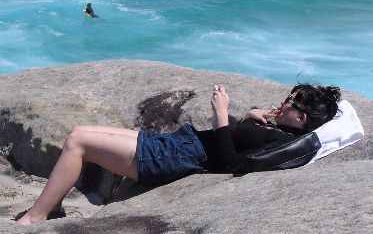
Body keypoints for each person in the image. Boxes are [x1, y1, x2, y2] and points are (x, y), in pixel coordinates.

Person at [15, 83, 341, 225]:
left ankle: (37, 217)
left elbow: (232, 163)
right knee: (80, 131)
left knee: (78, 141)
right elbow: (238, 144)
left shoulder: (281, 142)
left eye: (290, 102)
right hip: (176, 145)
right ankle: (51, 206)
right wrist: (251, 118)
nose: (283, 103)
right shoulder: (279, 132)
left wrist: (222, 116)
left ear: (300, 118)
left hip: (171, 158)